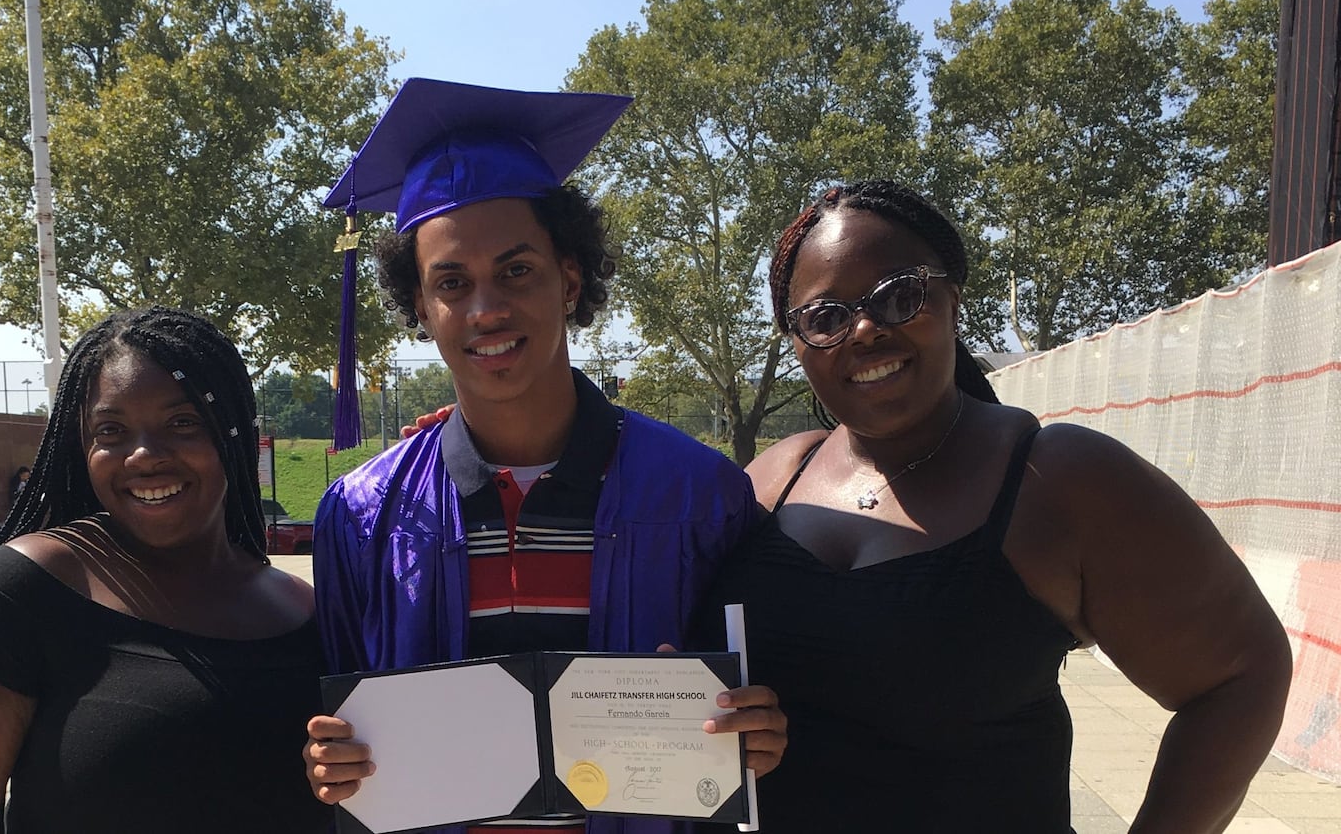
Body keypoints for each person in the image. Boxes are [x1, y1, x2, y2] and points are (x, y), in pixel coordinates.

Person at [693, 179, 1293, 832]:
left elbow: (1241, 676)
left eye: (898, 295)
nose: (863, 329)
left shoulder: (1057, 478)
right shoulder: (774, 477)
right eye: (825, 317)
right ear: (798, 342)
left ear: (951, 299)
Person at [302, 78, 785, 834]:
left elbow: (751, 715)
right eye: (451, 283)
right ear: (421, 310)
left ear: (568, 279)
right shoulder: (365, 515)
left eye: (516, 270)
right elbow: (338, 723)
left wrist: (755, 730)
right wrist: (332, 763)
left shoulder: (698, 495)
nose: (486, 308)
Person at [0, 307, 330, 834]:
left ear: (234, 432)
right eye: (111, 430)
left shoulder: (302, 609)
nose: (144, 455)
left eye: (182, 423)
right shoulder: (22, 594)